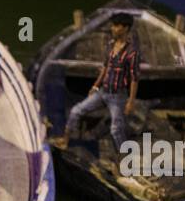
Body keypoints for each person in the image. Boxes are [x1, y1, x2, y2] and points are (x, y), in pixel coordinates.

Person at [52, 12, 140, 152]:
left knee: (116, 129)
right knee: (76, 111)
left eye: (117, 26)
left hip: (118, 96)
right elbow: (105, 68)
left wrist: (131, 101)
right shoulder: (111, 45)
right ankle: (65, 140)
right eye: (113, 25)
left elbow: (134, 77)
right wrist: (95, 85)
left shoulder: (132, 52)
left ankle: (125, 158)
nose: (113, 28)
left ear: (125, 28)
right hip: (103, 91)